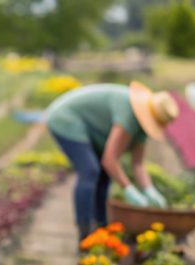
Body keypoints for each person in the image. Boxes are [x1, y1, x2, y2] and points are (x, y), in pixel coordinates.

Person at [45, 81, 179, 240]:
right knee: (90, 170)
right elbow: (110, 159)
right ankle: (85, 231)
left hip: (90, 127)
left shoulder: (142, 125)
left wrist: (149, 190)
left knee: (104, 176)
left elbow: (138, 164)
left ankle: (102, 228)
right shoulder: (129, 113)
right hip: (66, 118)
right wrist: (129, 189)